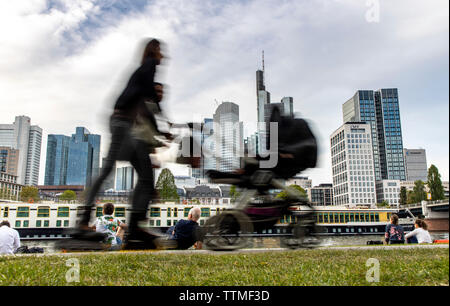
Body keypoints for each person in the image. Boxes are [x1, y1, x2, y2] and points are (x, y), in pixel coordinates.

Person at [75, 38, 166, 249]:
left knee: (145, 175)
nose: (164, 56)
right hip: (122, 123)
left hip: (125, 125)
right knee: (109, 169)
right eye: (161, 51)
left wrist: (161, 130)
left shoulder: (144, 72)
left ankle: (135, 227)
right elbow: (148, 102)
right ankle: (84, 220)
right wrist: (161, 130)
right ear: (154, 51)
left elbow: (146, 106)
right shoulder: (149, 66)